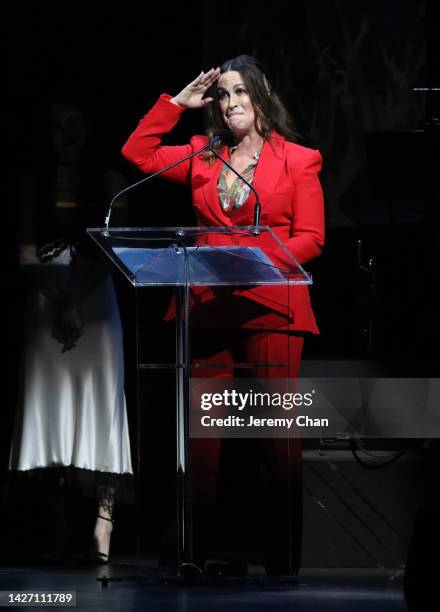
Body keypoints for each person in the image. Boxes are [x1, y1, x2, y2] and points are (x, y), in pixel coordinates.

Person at [122, 55, 324, 575]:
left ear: (261, 96)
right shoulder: (203, 154)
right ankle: (193, 551)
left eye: (240, 93)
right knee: (203, 446)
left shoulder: (299, 160)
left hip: (269, 307)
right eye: (223, 95)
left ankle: (282, 559)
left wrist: (255, 261)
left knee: (274, 442)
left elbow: (312, 238)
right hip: (208, 308)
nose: (232, 104)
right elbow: (137, 154)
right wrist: (178, 104)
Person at [9, 103, 133, 563]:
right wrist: (59, 299)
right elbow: (24, 255)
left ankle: (104, 521)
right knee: (48, 406)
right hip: (47, 297)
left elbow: (113, 250)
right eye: (59, 123)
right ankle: (52, 524)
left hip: (95, 298)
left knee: (101, 404)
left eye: (76, 121)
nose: (68, 132)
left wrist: (76, 299)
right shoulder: (30, 185)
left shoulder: (111, 182)